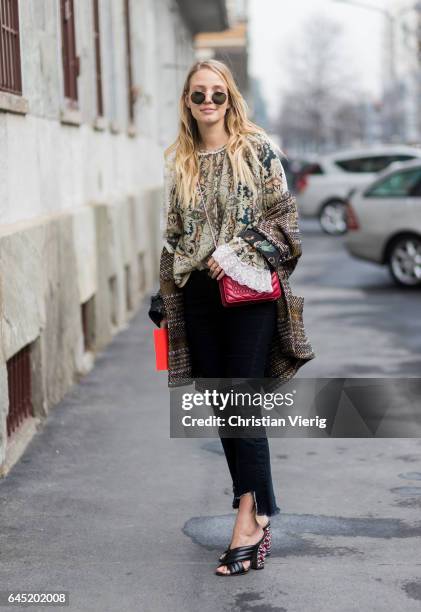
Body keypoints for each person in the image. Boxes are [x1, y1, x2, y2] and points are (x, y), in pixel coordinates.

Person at [148, 59, 315, 576]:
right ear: (187, 102)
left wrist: (237, 249)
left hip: (247, 292)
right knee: (222, 406)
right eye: (198, 95)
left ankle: (250, 519)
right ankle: (254, 507)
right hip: (197, 293)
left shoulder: (258, 150)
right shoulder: (181, 159)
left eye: (217, 95)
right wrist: (167, 289)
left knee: (242, 399)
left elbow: (285, 221)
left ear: (230, 98)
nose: (208, 104)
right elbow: (174, 231)